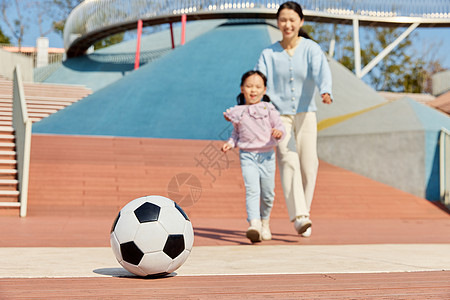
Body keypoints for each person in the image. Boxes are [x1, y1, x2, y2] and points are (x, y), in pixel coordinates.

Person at [255, 1, 333, 237]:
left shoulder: (311, 48)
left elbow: (322, 71)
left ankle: (304, 213)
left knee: (310, 166)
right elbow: (260, 79)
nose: (287, 24)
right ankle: (300, 217)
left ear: (301, 21)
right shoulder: (268, 53)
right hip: (279, 116)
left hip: (306, 112)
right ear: (278, 23)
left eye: (292, 19)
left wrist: (325, 90)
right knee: (288, 160)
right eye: (283, 20)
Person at [222, 70, 285, 243]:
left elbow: (279, 126)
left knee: (268, 194)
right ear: (242, 88)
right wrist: (230, 143)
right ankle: (254, 224)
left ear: (264, 90)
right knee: (252, 190)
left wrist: (279, 132)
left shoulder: (269, 108)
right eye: (249, 86)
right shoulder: (238, 112)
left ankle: (265, 221)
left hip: (267, 156)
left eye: (258, 87)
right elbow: (236, 133)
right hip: (247, 156)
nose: (253, 90)